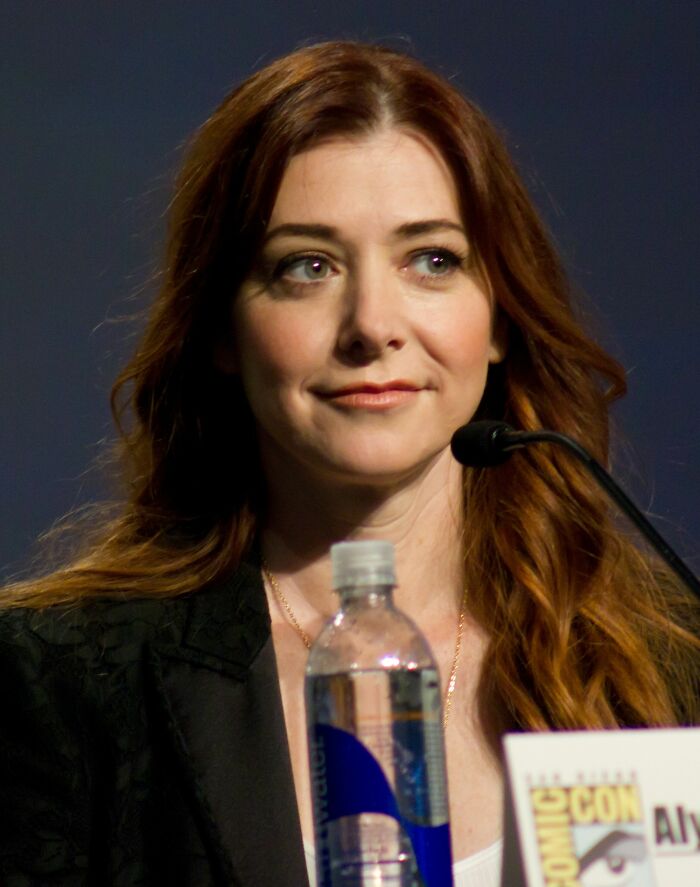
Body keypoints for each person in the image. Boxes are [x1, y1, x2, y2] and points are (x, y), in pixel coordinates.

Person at [0, 40, 697, 887]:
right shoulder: (63, 682)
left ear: (501, 316)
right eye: (308, 266)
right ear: (221, 328)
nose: (373, 324)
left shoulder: (661, 670)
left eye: (431, 260)